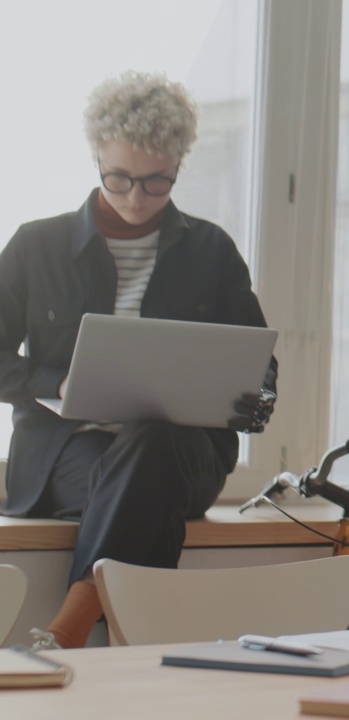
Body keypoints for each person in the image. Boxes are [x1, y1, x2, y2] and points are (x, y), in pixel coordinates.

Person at [0, 71, 278, 649]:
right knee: (144, 480)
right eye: (119, 177)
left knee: (155, 442)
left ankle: (67, 629)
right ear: (96, 155)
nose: (135, 196)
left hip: (184, 454)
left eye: (157, 182)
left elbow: (257, 363)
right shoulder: (36, 245)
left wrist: (256, 400)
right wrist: (57, 381)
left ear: (179, 164)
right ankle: (110, 643)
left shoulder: (211, 250)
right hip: (65, 451)